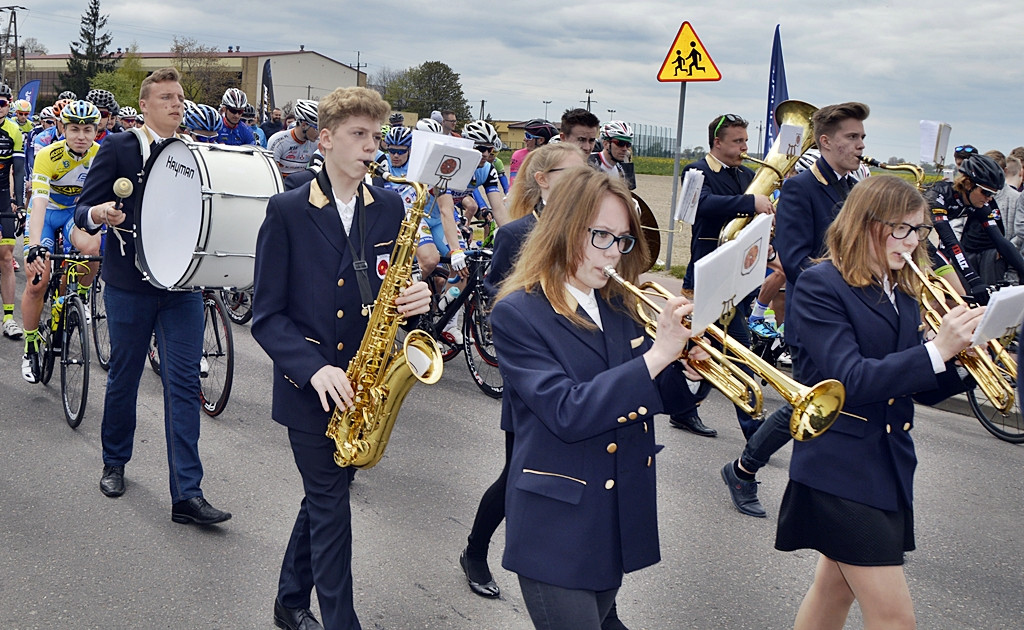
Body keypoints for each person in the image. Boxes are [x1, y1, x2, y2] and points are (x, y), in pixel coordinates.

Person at [492, 166, 705, 630]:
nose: (612, 253)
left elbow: (657, 396)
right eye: (601, 236)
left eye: (622, 240)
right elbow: (567, 410)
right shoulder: (518, 312)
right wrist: (657, 357)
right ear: (565, 229)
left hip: (614, 514)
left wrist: (684, 365)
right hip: (557, 527)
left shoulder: (618, 303)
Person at [252, 86, 431, 630]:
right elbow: (266, 316)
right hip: (313, 385)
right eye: (359, 135)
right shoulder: (286, 210)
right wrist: (315, 369)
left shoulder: (392, 206)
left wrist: (417, 302)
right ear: (325, 140)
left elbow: (389, 285)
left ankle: (288, 603)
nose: (371, 147)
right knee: (331, 506)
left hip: (366, 383)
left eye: (376, 136)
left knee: (324, 495)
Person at [776, 175, 980, 630]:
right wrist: (936, 350)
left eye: (920, 230)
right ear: (865, 224)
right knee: (893, 616)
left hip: (885, 461)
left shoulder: (900, 288)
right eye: (902, 228)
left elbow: (913, 383)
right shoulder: (819, 284)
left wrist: (965, 360)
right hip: (840, 467)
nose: (913, 241)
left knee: (833, 590)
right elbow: (848, 378)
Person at [74, 67, 231, 526]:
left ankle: (187, 493)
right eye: (166, 96)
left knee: (183, 383)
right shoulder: (119, 146)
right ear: (144, 105)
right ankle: (114, 462)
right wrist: (98, 212)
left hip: (181, 286)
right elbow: (84, 207)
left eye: (179, 97)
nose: (176, 103)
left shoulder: (193, 152)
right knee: (124, 376)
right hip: (130, 283)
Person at [721, 101, 870, 518]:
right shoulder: (802, 188)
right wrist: (844, 279)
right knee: (807, 401)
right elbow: (795, 257)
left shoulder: (851, 187)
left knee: (841, 400)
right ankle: (743, 469)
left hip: (845, 311)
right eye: (852, 137)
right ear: (825, 142)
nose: (861, 144)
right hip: (813, 313)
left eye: (862, 137)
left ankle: (831, 487)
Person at [678, 113, 776, 439]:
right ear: (717, 142)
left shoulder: (748, 174)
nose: (744, 147)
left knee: (711, 350)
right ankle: (756, 434)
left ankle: (682, 409)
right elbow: (698, 206)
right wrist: (751, 202)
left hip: (740, 276)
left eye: (746, 141)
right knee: (740, 352)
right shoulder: (695, 171)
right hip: (707, 275)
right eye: (737, 141)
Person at [20, 101, 104, 383]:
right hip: (48, 213)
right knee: (38, 280)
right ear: (62, 129)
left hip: (74, 213)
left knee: (93, 249)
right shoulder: (47, 155)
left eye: (88, 129)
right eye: (75, 129)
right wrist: (34, 246)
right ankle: (30, 345)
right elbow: (40, 202)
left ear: (96, 130)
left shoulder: (100, 155)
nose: (81, 136)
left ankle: (78, 296)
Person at [927, 154, 1024, 294]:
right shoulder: (938, 197)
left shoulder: (978, 203)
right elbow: (950, 241)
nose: (989, 199)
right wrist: (975, 281)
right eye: (986, 192)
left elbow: (1001, 242)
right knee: (945, 297)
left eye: (993, 194)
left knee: (957, 300)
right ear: (967, 184)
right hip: (910, 238)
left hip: (924, 241)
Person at [0, 84, 26, 339]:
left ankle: (8, 318)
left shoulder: (14, 130)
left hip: (0, 195)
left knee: (6, 257)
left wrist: (19, 204)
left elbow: (18, 172)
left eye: (2, 103)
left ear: (9, 105)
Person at [267, 99, 319, 177]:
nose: (319, 133)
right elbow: (271, 175)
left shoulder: (317, 142)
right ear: (304, 125)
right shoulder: (278, 141)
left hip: (301, 184)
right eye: (316, 128)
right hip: (281, 184)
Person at [509, 118, 557, 185]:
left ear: (541, 140)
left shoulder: (554, 157)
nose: (524, 139)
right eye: (525, 134)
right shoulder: (519, 155)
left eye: (528, 136)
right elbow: (514, 184)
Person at [590, 121, 636, 190]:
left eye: (628, 144)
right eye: (620, 143)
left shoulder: (622, 169)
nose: (625, 149)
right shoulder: (589, 163)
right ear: (606, 144)